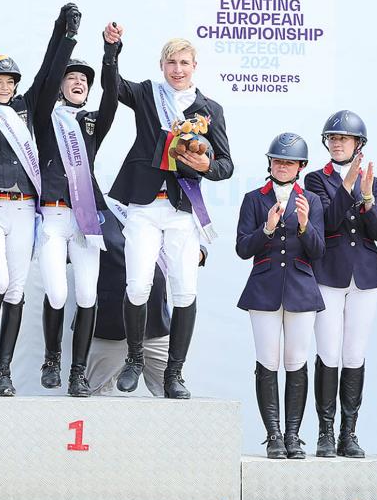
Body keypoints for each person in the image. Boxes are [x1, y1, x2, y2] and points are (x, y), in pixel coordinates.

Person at [104, 23, 233, 399]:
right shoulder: (147, 94)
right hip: (144, 205)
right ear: (162, 66)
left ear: (195, 66)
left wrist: (206, 166)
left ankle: (175, 373)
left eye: (184, 63)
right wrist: (111, 50)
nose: (178, 69)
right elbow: (114, 86)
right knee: (138, 284)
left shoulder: (210, 109)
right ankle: (134, 359)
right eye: (171, 62)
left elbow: (225, 165)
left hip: (181, 208)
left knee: (184, 289)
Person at [0, 4, 79, 396]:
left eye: (10, 81)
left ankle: (4, 372)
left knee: (17, 289)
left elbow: (48, 71)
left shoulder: (27, 108)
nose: (6, 87)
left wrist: (65, 32)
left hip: (26, 207)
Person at [32, 23, 122, 396]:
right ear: (60, 85)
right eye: (71, 77)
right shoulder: (43, 117)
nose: (78, 82)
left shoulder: (91, 121)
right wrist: (65, 38)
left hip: (85, 219)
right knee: (56, 293)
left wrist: (110, 55)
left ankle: (77, 372)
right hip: (53, 217)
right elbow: (48, 75)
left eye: (83, 79)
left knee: (87, 295)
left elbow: (113, 97)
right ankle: (52, 359)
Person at [236, 133, 324, 459]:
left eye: (288, 162)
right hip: (264, 289)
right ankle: (273, 434)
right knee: (267, 361)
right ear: (270, 163)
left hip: (301, 289)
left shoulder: (311, 201)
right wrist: (267, 229)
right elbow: (243, 248)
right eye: (277, 161)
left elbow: (318, 251)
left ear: (300, 166)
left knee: (296, 361)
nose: (282, 166)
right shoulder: (253, 199)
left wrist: (303, 225)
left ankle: (293, 435)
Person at [303, 110, 377, 458]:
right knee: (328, 352)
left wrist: (366, 196)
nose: (337, 143)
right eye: (333, 138)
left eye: (344, 138)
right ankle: (325, 431)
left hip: (364, 275)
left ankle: (348, 433)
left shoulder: (374, 182)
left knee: (354, 354)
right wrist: (348, 185)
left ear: (357, 144)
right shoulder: (314, 179)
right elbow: (330, 222)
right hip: (329, 273)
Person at [85, 196, 206, 396]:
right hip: (112, 326)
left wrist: (200, 253)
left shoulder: (169, 208)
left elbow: (184, 245)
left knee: (173, 397)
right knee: (94, 398)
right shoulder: (103, 210)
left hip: (155, 324)